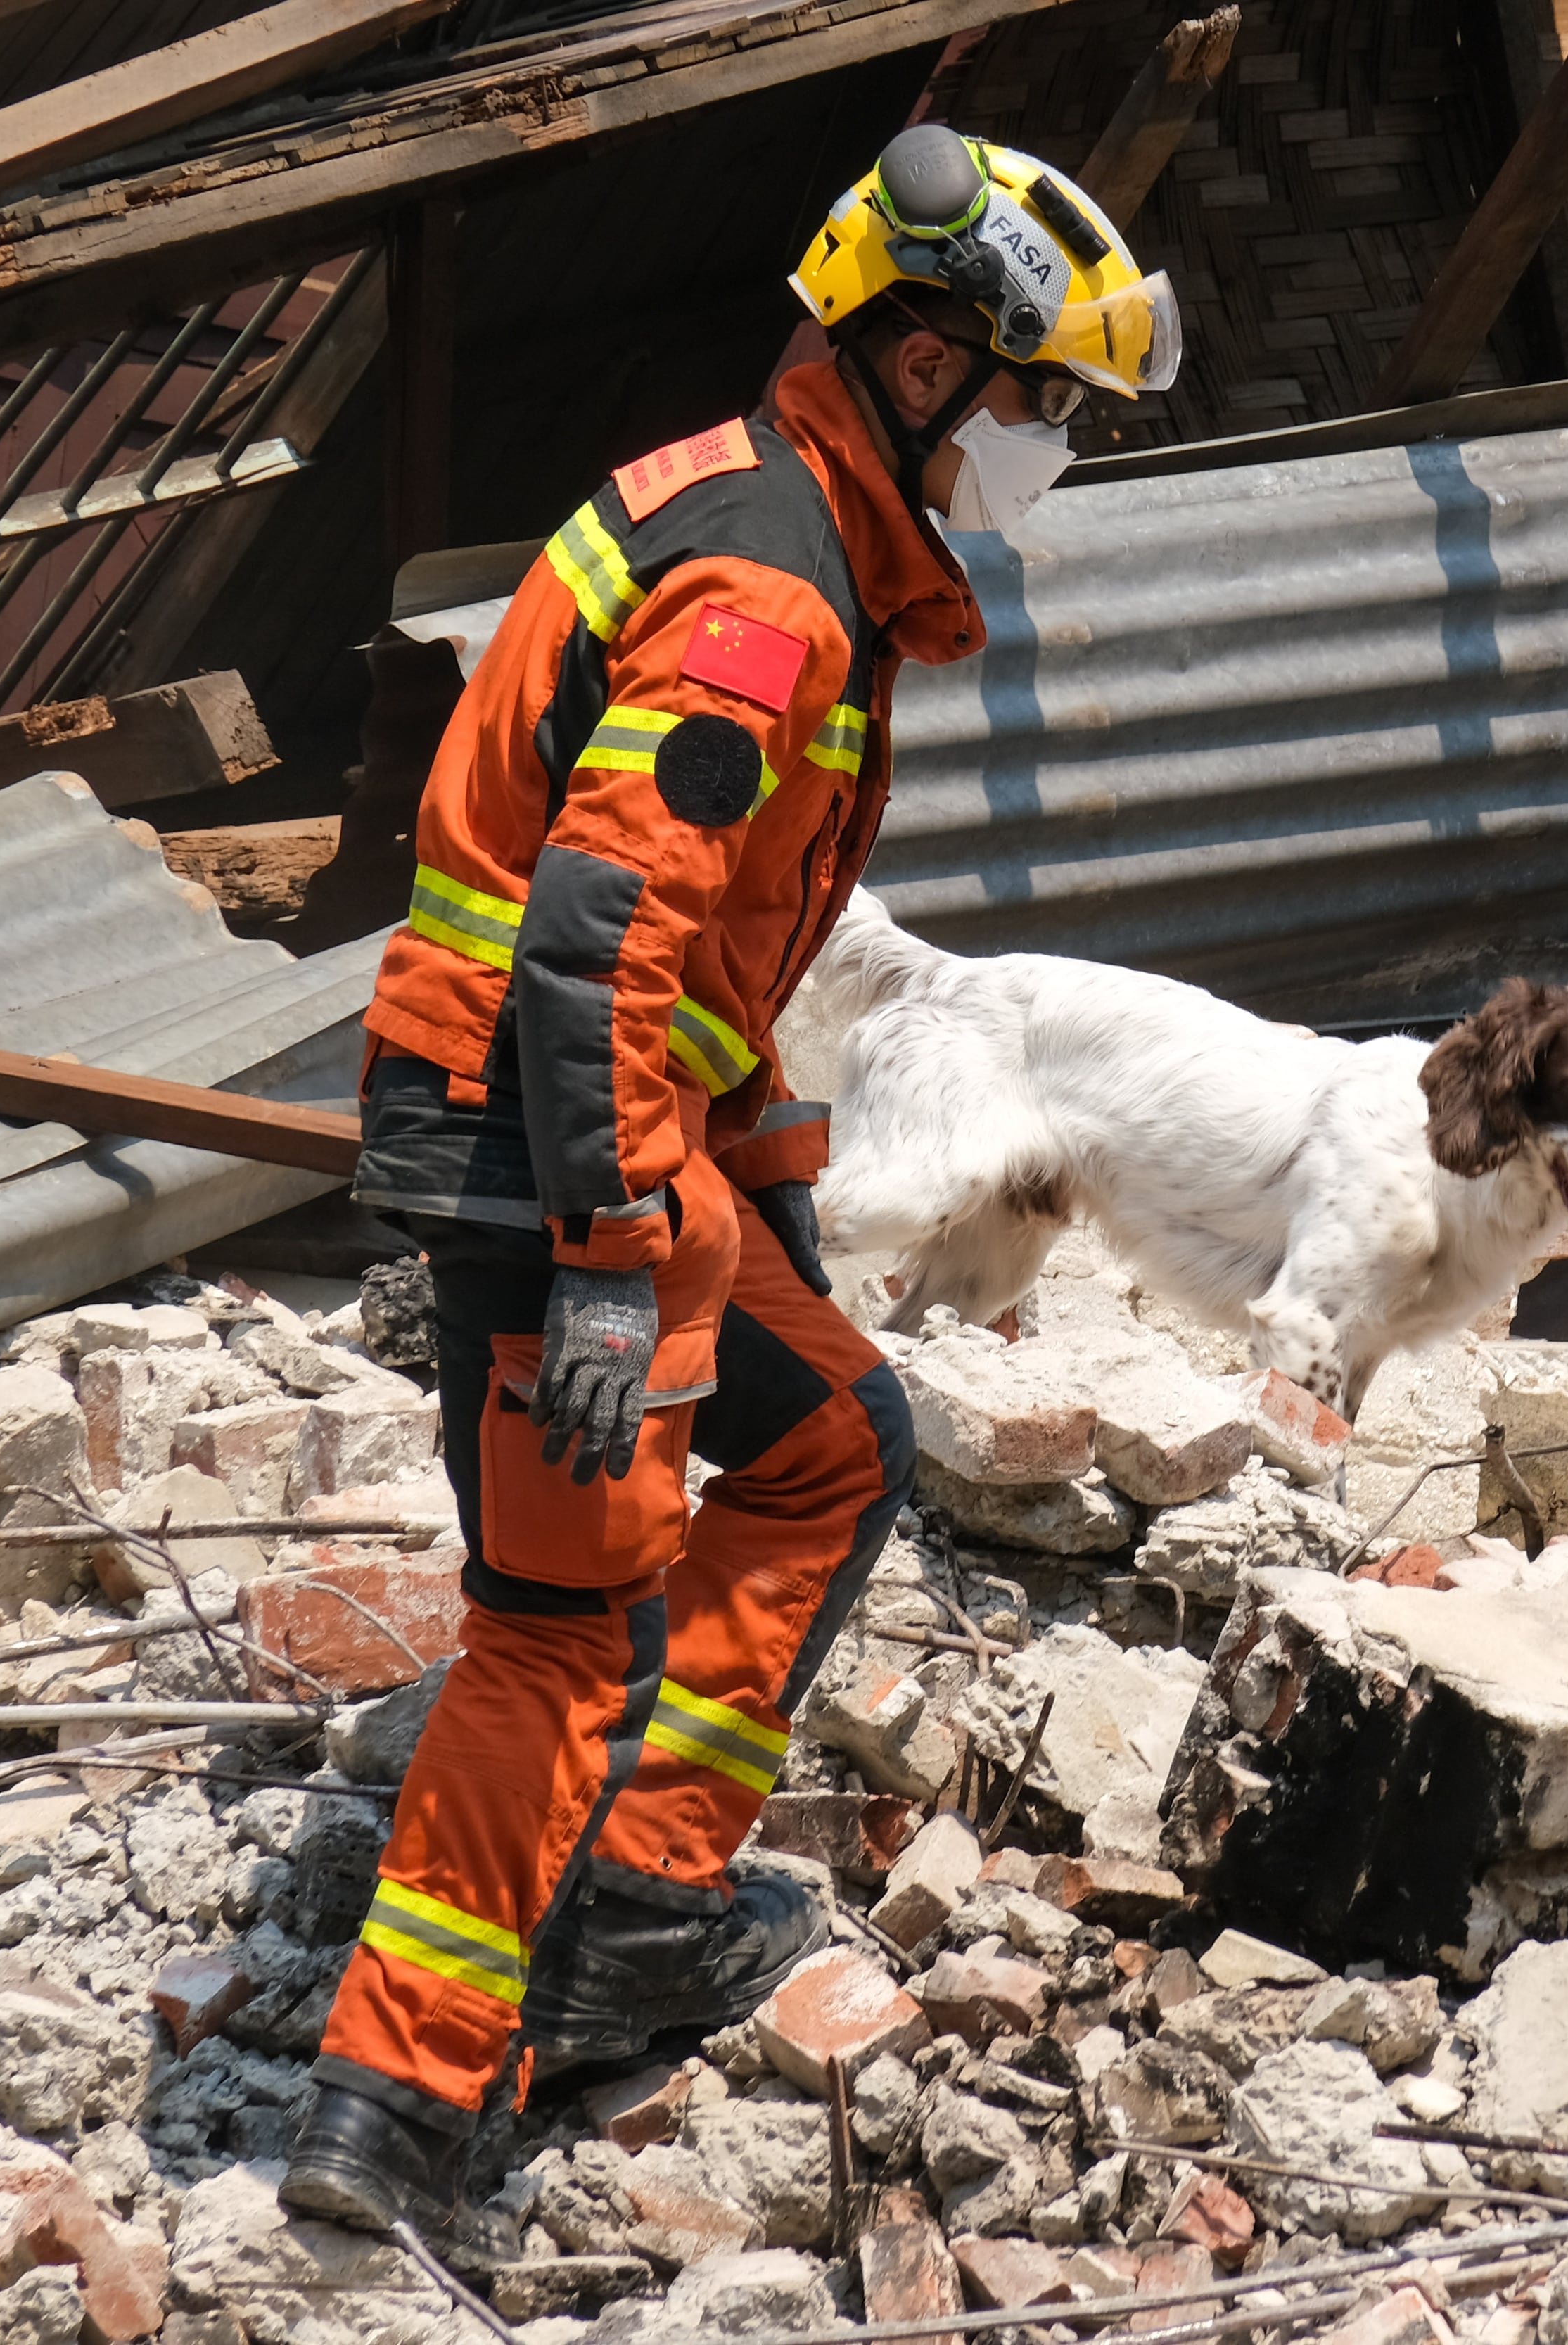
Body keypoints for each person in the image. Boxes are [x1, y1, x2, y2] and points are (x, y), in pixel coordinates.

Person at [279, 125, 1179, 2238]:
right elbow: (600, 923)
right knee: (558, 1629)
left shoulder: (790, 529)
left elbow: (696, 948)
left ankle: (639, 1910)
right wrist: (611, 1264)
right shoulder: (773, 587)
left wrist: (741, 1171)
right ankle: (391, 2118)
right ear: (931, 361)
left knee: (833, 1443)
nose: (1051, 450)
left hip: (599, 1141)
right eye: (1046, 404)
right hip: (546, 1163)